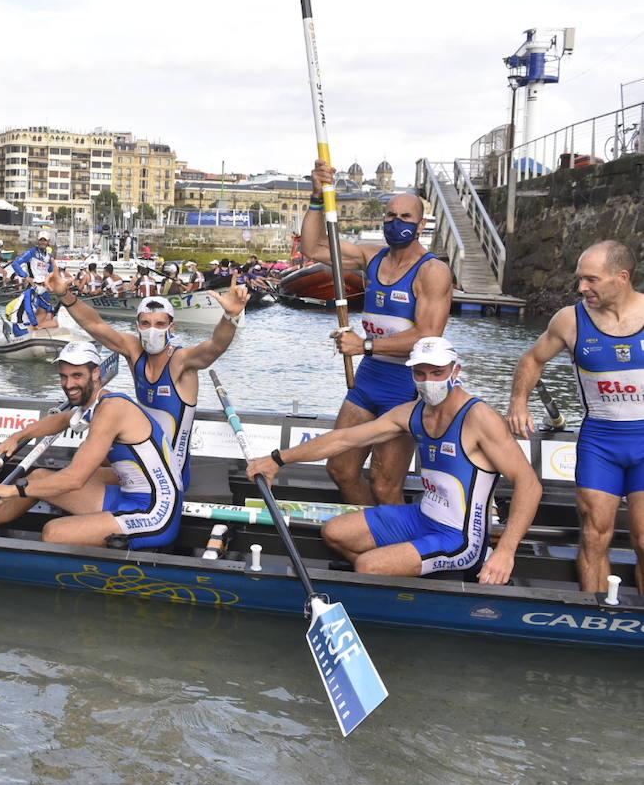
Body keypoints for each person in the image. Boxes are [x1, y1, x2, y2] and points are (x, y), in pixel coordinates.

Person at [247, 337, 543, 584]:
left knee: (368, 566)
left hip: (460, 539)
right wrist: (277, 459)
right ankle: (410, 581)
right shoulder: (412, 412)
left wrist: (506, 551)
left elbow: (529, 485)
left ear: (456, 371)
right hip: (421, 517)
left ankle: (403, 578)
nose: (429, 382)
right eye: (421, 374)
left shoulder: (479, 418)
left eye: (438, 373)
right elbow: (345, 439)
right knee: (335, 533)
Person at [300, 159, 452, 505]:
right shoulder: (371, 257)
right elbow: (313, 248)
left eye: (405, 218)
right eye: (390, 216)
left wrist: (365, 344)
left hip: (407, 386)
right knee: (340, 469)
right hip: (369, 380)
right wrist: (315, 198)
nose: (395, 223)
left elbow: (429, 338)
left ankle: (394, 549)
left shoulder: (433, 272)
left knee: (385, 484)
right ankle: (372, 534)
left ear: (421, 225)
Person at [508, 240, 644, 592]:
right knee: (596, 535)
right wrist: (518, 401)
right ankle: (597, 616)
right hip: (601, 442)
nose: (582, 288)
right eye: (580, 279)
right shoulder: (570, 320)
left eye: (591, 280)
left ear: (622, 277)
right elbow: (532, 359)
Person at [46, 265, 247, 491]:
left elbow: (216, 346)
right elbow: (95, 324)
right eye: (146, 324)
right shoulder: (133, 350)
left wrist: (230, 316)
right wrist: (64, 294)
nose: (152, 330)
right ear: (138, 326)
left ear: (172, 328)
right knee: (87, 451)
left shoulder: (181, 361)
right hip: (144, 456)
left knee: (75, 479)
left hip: (170, 474)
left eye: (160, 324)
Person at [0, 342, 183, 549]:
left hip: (156, 515)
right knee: (39, 477)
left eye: (77, 376)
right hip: (128, 496)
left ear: (95, 373)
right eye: (63, 376)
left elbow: (74, 479)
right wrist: (17, 436)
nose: (68, 384)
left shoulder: (111, 409)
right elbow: (61, 420)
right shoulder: (100, 401)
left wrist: (14, 490)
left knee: (54, 532)